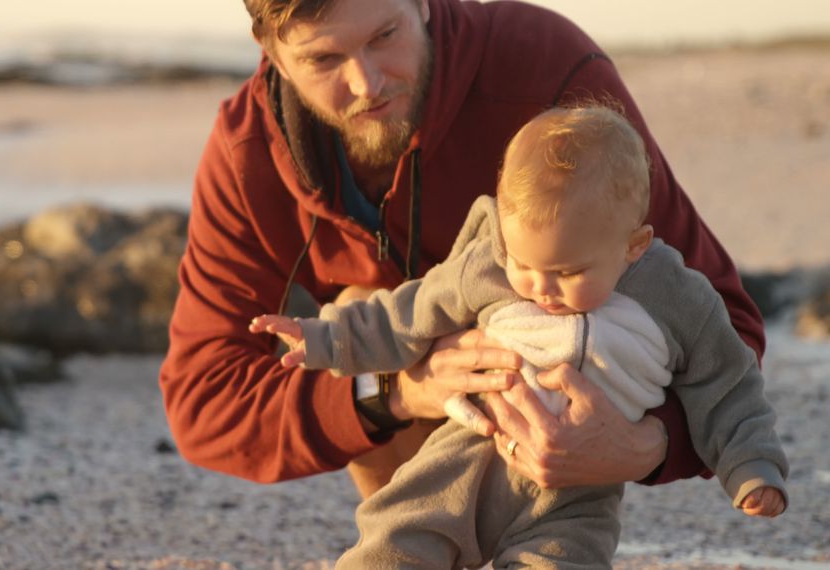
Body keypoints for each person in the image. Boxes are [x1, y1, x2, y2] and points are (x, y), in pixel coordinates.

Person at [159, 0, 765, 500]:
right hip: (418, 424)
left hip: (576, 419)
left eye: (385, 35)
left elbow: (724, 324)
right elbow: (202, 399)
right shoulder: (249, 150)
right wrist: (395, 393)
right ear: (274, 59)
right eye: (323, 58)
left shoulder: (542, 70)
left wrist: (643, 447)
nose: (366, 83)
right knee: (361, 307)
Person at [251, 105, 788, 568]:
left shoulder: (674, 295)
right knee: (397, 542)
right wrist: (323, 339)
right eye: (526, 265)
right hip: (467, 456)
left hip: (577, 495)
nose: (540, 288)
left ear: (634, 245)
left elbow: (727, 380)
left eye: (570, 272)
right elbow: (404, 314)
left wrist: (751, 467)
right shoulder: (490, 265)